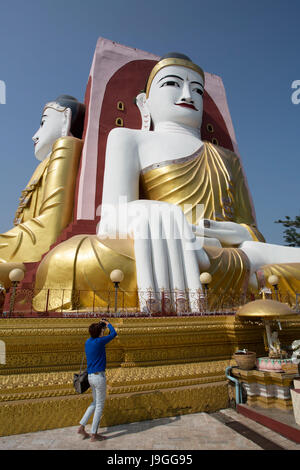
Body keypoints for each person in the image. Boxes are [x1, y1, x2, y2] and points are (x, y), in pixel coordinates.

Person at [33, 53, 300, 312]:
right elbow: (110, 218)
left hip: (220, 252)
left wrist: (232, 232)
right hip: (158, 246)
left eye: (197, 90)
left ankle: (244, 265)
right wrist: (144, 211)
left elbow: (250, 229)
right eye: (172, 83)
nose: (187, 95)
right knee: (67, 260)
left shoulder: (227, 158)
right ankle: (247, 273)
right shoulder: (128, 138)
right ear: (144, 102)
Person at [0, 95, 84, 288]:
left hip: (39, 253)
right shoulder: (45, 162)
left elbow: (52, 224)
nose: (35, 135)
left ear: (66, 118)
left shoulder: (66, 147)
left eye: (43, 123)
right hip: (22, 252)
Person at [78, 319, 117, 442]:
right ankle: (94, 434)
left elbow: (100, 336)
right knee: (99, 405)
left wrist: (101, 328)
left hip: (90, 377)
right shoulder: (100, 342)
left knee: (95, 403)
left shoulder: (88, 342)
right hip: (99, 377)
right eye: (101, 331)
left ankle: (82, 426)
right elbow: (114, 333)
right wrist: (107, 323)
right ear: (100, 332)